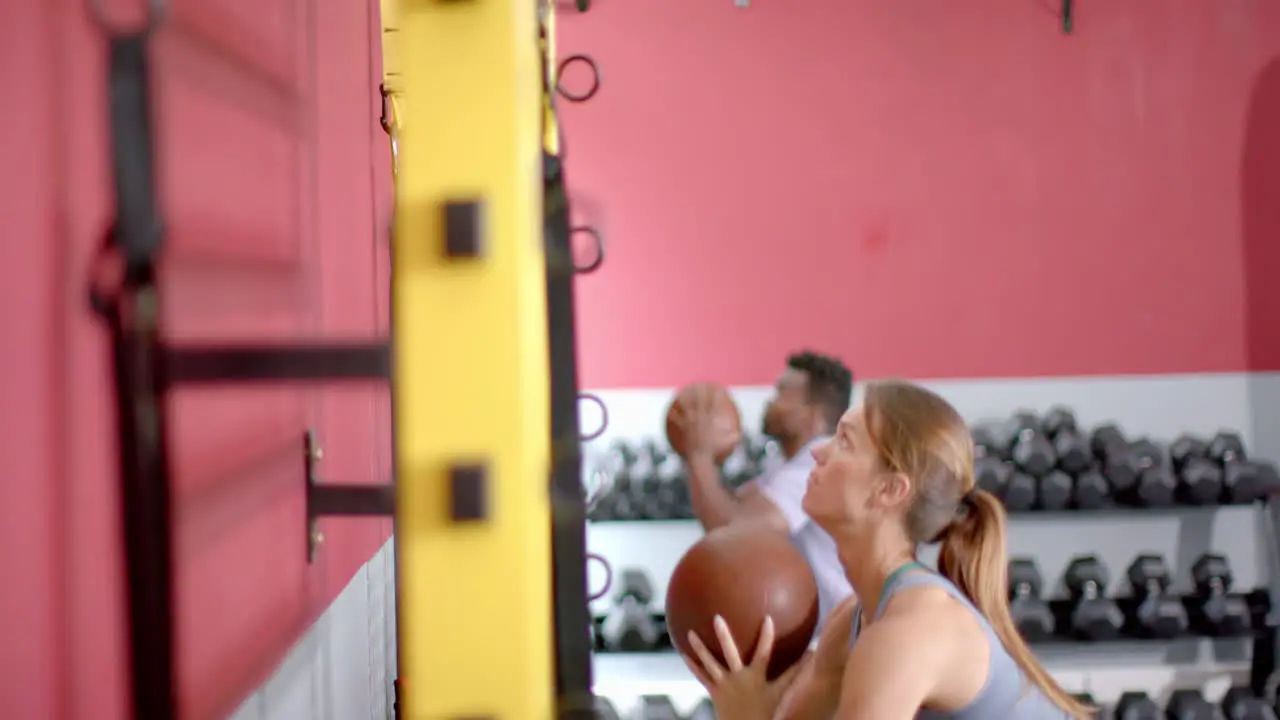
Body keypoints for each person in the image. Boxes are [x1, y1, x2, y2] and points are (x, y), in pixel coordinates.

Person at [680, 380, 1094, 720]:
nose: (819, 453)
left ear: (890, 489)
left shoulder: (909, 630)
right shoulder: (852, 622)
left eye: (844, 441)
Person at [670, 351, 856, 629]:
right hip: (826, 641)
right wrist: (705, 460)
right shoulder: (787, 468)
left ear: (812, 412)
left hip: (841, 642)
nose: (770, 400)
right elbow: (730, 506)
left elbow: (732, 532)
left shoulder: (815, 467)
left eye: (782, 392)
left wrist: (699, 455)